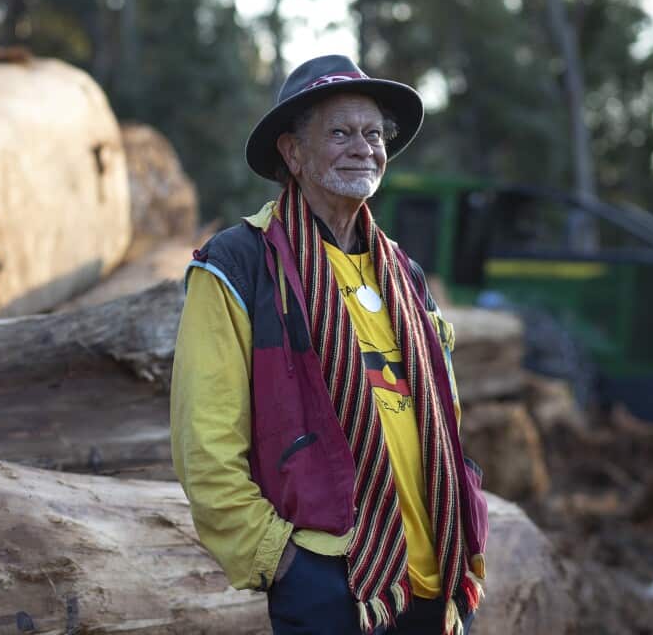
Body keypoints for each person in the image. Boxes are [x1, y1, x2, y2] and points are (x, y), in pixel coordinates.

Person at [170, 55, 488, 635]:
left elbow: (447, 417)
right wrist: (282, 561)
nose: (362, 147)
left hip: (434, 581)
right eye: (340, 132)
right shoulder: (239, 265)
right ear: (293, 154)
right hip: (331, 584)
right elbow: (204, 440)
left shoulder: (406, 278)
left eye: (373, 134)